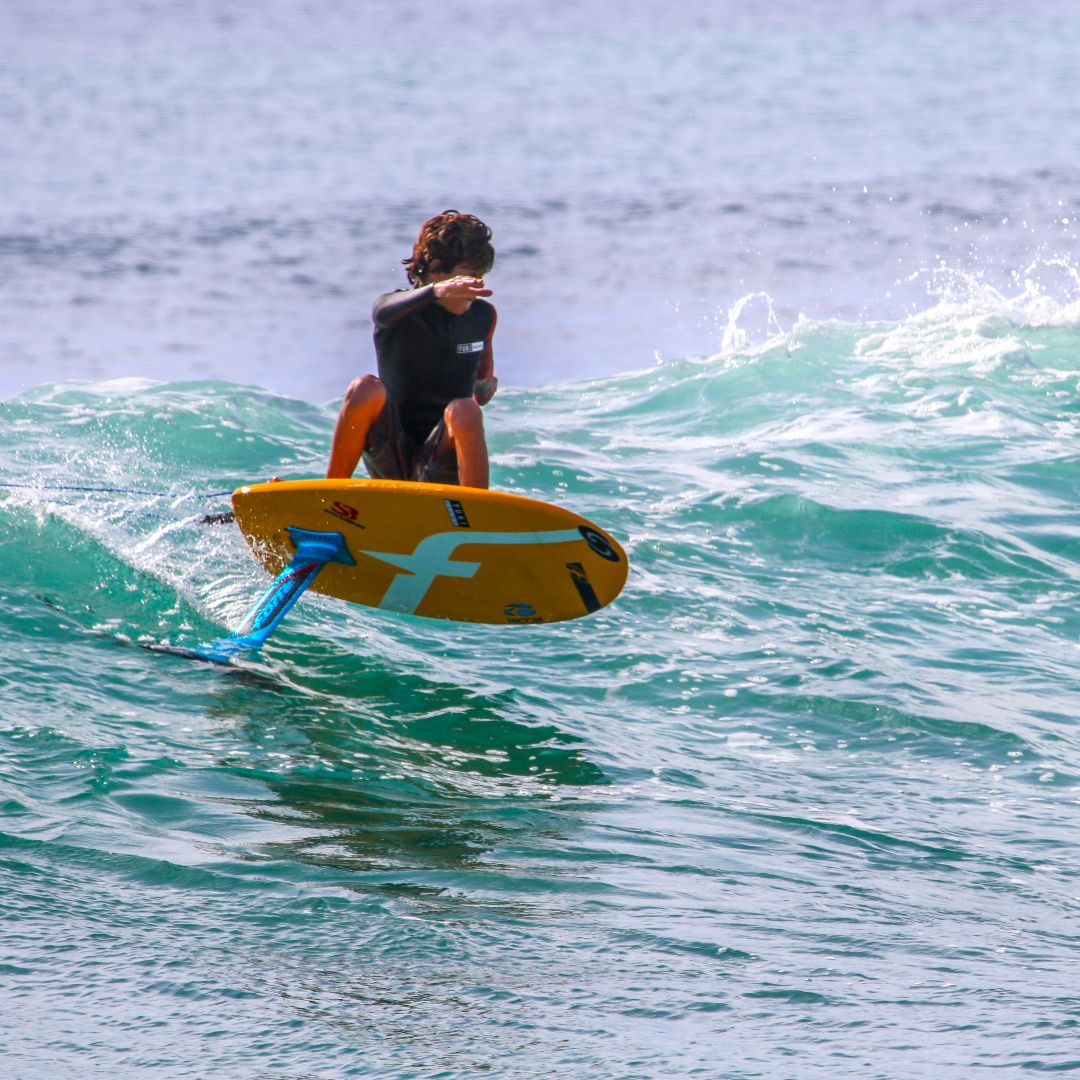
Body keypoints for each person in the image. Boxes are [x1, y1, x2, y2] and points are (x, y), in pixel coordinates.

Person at [326, 210, 498, 489]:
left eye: (481, 276)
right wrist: (437, 292)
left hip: (442, 459)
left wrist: (485, 387)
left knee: (465, 409)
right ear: (436, 270)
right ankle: (329, 494)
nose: (476, 286)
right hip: (391, 454)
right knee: (364, 388)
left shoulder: (483, 316)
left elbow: (482, 389)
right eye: (468, 277)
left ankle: (476, 507)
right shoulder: (397, 311)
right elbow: (380, 311)